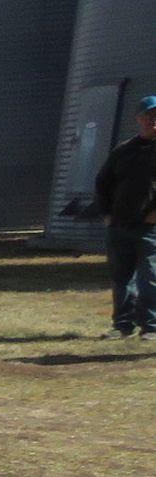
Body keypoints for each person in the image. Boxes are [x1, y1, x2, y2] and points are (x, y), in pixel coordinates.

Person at [92, 94, 156, 339]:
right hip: (119, 226)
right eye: (148, 116)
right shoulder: (123, 151)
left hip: (149, 227)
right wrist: (107, 214)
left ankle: (151, 327)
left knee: (151, 277)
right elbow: (103, 183)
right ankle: (122, 325)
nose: (153, 121)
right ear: (139, 119)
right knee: (121, 278)